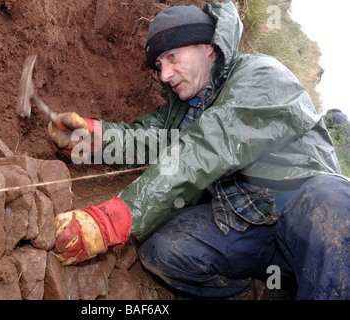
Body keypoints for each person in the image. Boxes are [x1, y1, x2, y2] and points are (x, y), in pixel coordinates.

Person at [47, 1, 350, 299]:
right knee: (163, 248)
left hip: (310, 225)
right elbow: (148, 139)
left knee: (328, 197)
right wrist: (91, 138)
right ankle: (256, 293)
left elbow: (206, 147)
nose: (165, 74)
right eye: (159, 65)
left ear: (208, 47)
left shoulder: (261, 76)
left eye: (172, 57)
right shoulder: (187, 107)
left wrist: (113, 219)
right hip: (252, 231)